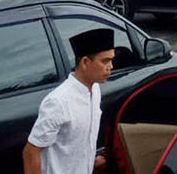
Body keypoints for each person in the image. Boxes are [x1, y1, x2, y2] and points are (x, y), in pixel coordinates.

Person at [24, 28, 114, 174]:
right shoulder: (58, 102)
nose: (110, 67)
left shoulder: (95, 90)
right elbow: (31, 152)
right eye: (105, 61)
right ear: (85, 62)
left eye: (111, 60)